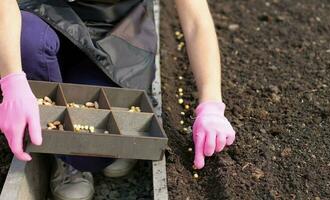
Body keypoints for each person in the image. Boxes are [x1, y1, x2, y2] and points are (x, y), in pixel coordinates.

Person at [0, 0, 236, 199]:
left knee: (92, 151)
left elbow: (196, 21)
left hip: (118, 33)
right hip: (46, 14)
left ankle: (91, 148)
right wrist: (12, 81)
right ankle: (59, 152)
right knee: (26, 41)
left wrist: (211, 105)